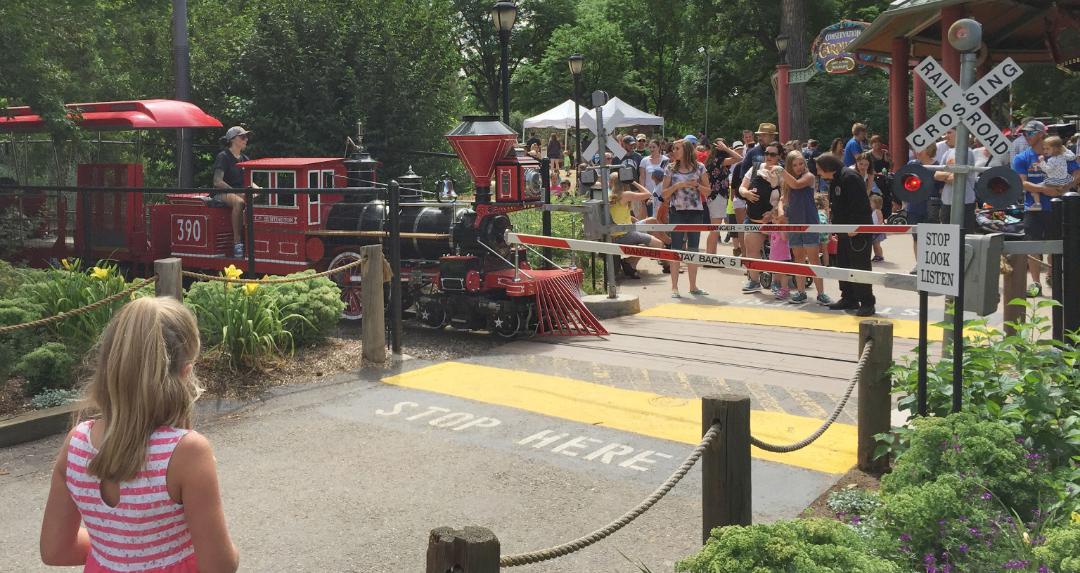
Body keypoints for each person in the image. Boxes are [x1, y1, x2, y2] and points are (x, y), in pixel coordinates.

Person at [39, 297, 239, 573]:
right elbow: (219, 565)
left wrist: (120, 550)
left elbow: (55, 550)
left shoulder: (76, 443)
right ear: (186, 373)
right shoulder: (187, 452)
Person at [1012, 120, 1074, 297]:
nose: (1026, 136)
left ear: (1041, 134)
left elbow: (1076, 173)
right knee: (1033, 246)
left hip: (1057, 206)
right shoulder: (1022, 157)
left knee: (1056, 244)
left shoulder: (1058, 153)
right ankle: (1036, 283)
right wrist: (1044, 189)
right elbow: (1022, 183)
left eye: (1029, 133)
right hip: (1034, 208)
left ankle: (1052, 276)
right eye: (1024, 133)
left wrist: (1064, 188)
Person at [816, 152, 875, 316]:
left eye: (820, 170)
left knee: (860, 266)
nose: (819, 174)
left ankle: (867, 301)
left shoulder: (850, 177)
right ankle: (849, 297)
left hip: (856, 232)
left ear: (828, 168)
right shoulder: (836, 179)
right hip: (843, 231)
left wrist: (854, 228)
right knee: (844, 264)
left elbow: (861, 205)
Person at [778, 150, 831, 305]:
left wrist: (781, 171)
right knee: (798, 258)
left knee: (814, 259)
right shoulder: (786, 181)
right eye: (794, 165)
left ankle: (821, 293)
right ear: (790, 166)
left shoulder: (809, 177)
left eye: (801, 163)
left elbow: (796, 184)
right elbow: (783, 199)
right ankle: (801, 292)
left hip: (809, 222)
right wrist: (781, 212)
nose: (799, 167)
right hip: (794, 223)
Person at [661, 139, 710, 298]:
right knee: (676, 250)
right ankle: (674, 288)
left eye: (677, 148)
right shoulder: (670, 168)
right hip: (677, 212)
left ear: (686, 150)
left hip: (695, 212)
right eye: (673, 149)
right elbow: (664, 194)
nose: (673, 151)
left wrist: (696, 186)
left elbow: (708, 192)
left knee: (693, 249)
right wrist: (678, 186)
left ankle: (693, 286)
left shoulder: (700, 167)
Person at [737, 141, 784, 293]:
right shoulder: (755, 167)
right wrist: (746, 193)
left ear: (779, 156)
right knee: (752, 251)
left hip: (774, 221)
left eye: (772, 154)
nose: (768, 157)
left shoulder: (781, 172)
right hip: (752, 219)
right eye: (767, 153)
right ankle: (754, 281)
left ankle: (777, 283)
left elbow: (786, 198)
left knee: (777, 255)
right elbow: (742, 187)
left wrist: (773, 212)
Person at [608, 173, 664, 279]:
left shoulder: (609, 195)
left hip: (617, 232)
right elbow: (647, 194)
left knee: (649, 225)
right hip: (624, 234)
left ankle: (630, 263)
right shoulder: (624, 195)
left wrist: (636, 221)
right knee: (659, 244)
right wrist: (632, 181)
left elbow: (620, 215)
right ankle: (628, 262)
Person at [213, 126, 258, 259]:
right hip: (221, 194)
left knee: (258, 201)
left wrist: (260, 190)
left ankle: (252, 241)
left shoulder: (245, 158)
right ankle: (237, 243)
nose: (246, 139)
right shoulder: (223, 156)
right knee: (238, 202)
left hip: (240, 192)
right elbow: (217, 182)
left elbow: (249, 181)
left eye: (247, 137)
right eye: (243, 137)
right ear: (233, 140)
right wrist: (236, 192)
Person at [934, 130, 978, 231]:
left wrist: (947, 175)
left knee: (964, 238)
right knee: (948, 238)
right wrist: (951, 174)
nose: (945, 136)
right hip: (947, 202)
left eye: (949, 133)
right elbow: (936, 175)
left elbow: (955, 179)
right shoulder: (948, 152)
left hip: (965, 202)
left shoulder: (968, 152)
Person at [705, 139, 741, 256]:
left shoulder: (714, 159)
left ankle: (711, 255)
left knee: (715, 228)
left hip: (717, 196)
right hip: (717, 196)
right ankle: (710, 256)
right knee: (715, 229)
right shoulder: (719, 160)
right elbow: (739, 158)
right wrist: (726, 148)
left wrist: (725, 148)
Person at [639, 139, 668, 215]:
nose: (652, 149)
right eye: (650, 147)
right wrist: (642, 193)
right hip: (649, 193)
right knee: (650, 217)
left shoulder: (665, 160)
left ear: (659, 147)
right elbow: (642, 177)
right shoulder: (644, 160)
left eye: (654, 147)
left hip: (661, 194)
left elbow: (666, 176)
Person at [869, 193, 885, 262]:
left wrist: (878, 226)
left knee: (877, 244)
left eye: (871, 203)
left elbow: (881, 219)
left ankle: (880, 255)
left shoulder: (877, 211)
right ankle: (876, 255)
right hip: (873, 230)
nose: (870, 204)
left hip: (877, 230)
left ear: (876, 204)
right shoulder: (872, 211)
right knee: (874, 244)